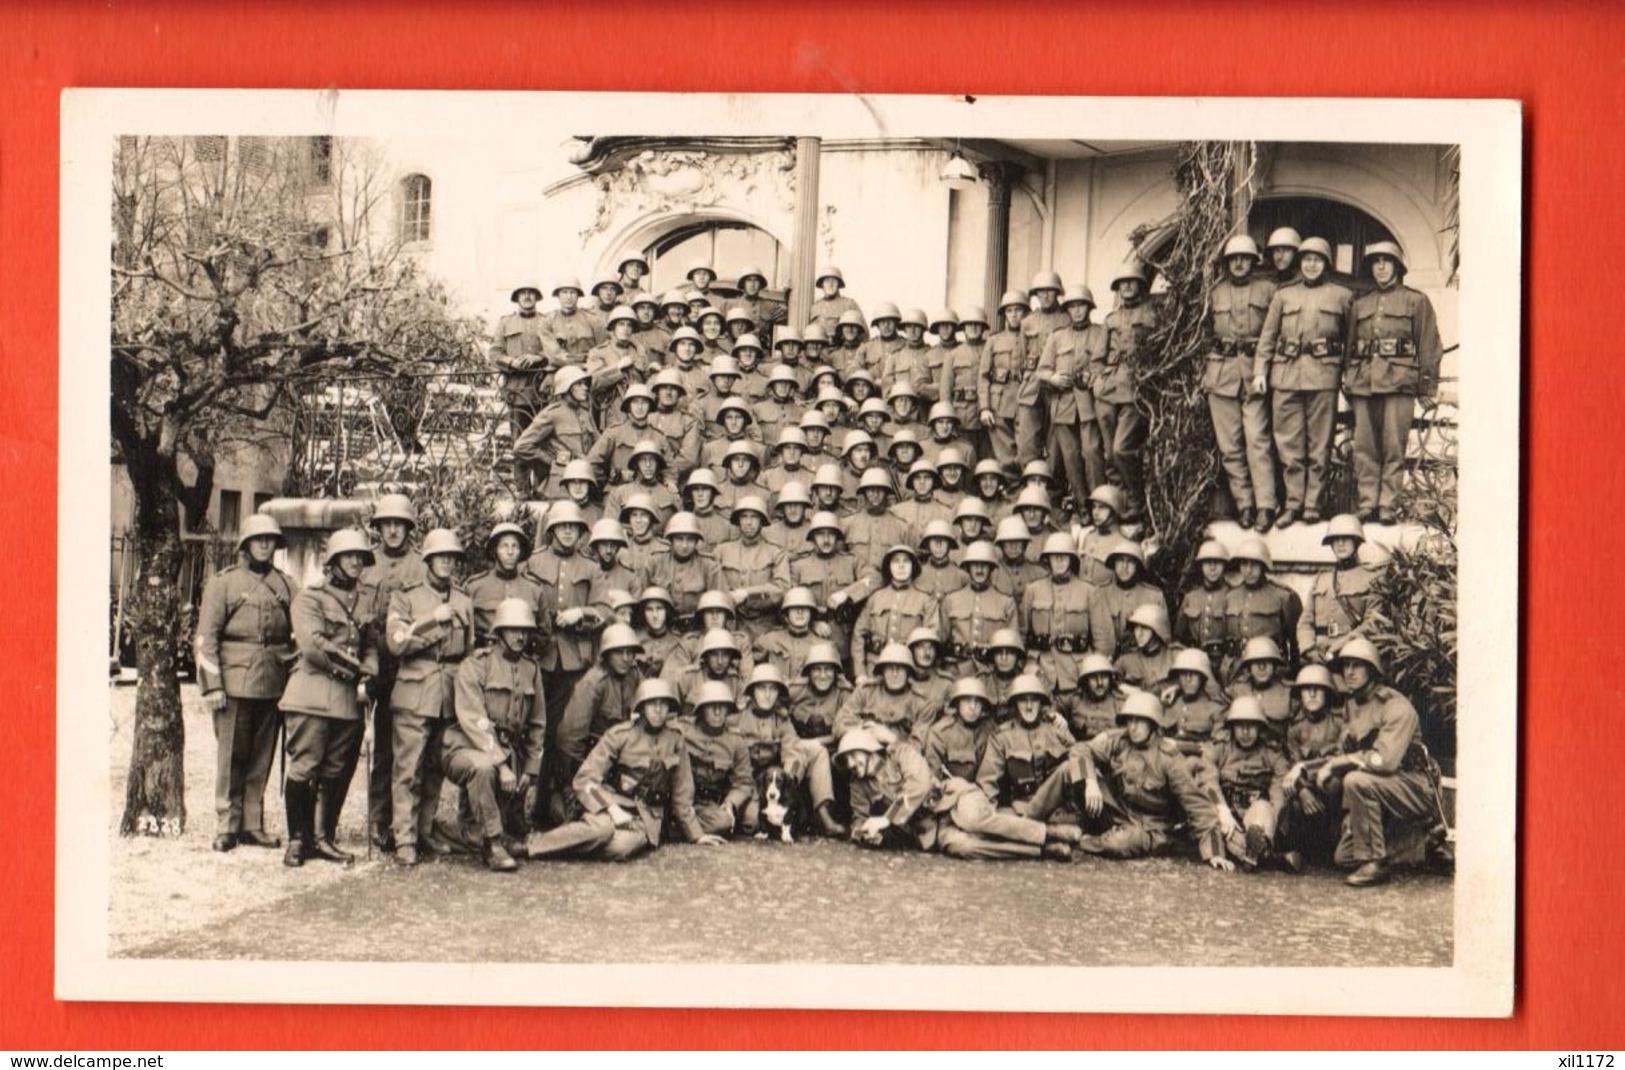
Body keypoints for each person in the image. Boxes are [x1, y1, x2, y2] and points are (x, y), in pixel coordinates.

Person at [523, 678, 724, 861]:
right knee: (602, 829)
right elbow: (585, 779)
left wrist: (697, 835)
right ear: (641, 706)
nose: (658, 710)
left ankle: (568, 840)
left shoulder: (675, 738)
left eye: (663, 704)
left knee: (621, 847)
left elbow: (682, 792)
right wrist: (613, 810)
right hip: (612, 804)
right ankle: (531, 846)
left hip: (646, 816)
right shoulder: (620, 735)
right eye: (652, 704)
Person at [1294, 636, 1440, 886]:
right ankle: (1419, 843)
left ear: (1372, 670)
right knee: (1344, 858)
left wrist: (1339, 764)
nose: (1349, 672)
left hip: (1415, 787)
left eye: (1356, 665)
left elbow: (1385, 761)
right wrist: (1303, 768)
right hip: (1382, 788)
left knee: (1355, 780)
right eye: (1345, 666)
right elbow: (1341, 755)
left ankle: (1375, 862)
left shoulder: (1395, 707)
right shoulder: (1353, 705)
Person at [279, 529, 379, 869]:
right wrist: (357, 667)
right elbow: (314, 645)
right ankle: (297, 840)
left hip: (348, 701)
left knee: (335, 769)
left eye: (360, 557)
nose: (355, 562)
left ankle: (322, 838)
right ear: (333, 561)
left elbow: (371, 642)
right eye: (348, 556)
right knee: (305, 766)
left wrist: (371, 669)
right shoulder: (310, 598)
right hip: (312, 692)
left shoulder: (366, 600)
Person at [195, 514, 295, 852]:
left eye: (270, 540)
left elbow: (297, 636)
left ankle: (252, 823)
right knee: (231, 757)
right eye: (259, 539)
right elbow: (205, 639)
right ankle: (227, 824)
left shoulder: (286, 585)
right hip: (234, 684)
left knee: (261, 756)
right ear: (246, 544)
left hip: (273, 683)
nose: (265, 545)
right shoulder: (223, 584)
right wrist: (212, 685)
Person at [1036, 690, 1221, 863]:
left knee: (1120, 843)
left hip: (1148, 827)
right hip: (1117, 811)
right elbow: (1080, 749)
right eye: (1129, 720)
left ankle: (1079, 839)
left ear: (1153, 724)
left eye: (1139, 721)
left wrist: (1215, 854)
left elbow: (1199, 808)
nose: (1132, 727)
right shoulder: (1121, 741)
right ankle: (1029, 820)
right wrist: (1091, 782)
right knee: (1069, 769)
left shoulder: (1170, 760)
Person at [385, 528, 475, 867]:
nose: (447, 563)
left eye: (452, 558)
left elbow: (469, 651)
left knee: (436, 766)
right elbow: (396, 643)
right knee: (408, 768)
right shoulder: (405, 597)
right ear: (428, 560)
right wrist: (430, 622)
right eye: (441, 557)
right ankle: (404, 838)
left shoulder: (464, 600)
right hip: (414, 689)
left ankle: (425, 829)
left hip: (450, 692)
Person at [440, 598, 547, 873]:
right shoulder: (475, 665)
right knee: (484, 768)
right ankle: (493, 844)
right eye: (512, 630)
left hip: (507, 751)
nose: (520, 636)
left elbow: (537, 724)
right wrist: (501, 764)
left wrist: (530, 771)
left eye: (524, 630)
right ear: (499, 632)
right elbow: (473, 720)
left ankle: (468, 828)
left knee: (514, 824)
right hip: (463, 747)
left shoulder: (531, 669)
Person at [1255, 236, 1354, 527]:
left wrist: (1347, 375)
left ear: (1326, 263)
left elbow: (1351, 340)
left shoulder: (1341, 296)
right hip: (1285, 377)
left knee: (1319, 444)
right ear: (1300, 263)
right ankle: (1293, 504)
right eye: (1307, 259)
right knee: (1288, 445)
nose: (1311, 265)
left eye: (1317, 259)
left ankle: (1313, 504)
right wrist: (1260, 371)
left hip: (1324, 377)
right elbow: (1267, 338)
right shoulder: (1283, 295)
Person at [1347, 241, 1445, 523]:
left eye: (1386, 261)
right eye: (1375, 262)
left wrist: (1426, 386)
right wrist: (1348, 378)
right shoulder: (1360, 304)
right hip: (1364, 383)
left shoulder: (1416, 301)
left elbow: (1428, 344)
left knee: (1393, 445)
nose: (1380, 267)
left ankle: (1387, 504)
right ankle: (1367, 503)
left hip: (1399, 382)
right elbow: (1350, 346)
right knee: (1364, 446)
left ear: (1397, 267)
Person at [355, 494, 427, 850]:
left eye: (400, 524)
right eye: (387, 524)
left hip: (409, 665)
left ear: (409, 527)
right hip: (373, 661)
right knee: (379, 747)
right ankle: (377, 821)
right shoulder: (365, 564)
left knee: (408, 747)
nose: (393, 530)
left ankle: (410, 825)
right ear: (379, 528)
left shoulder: (422, 565)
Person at [1204, 235, 1281, 532]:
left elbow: (1275, 333)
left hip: (1254, 374)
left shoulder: (1269, 290)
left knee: (1257, 442)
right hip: (1221, 375)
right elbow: (1202, 335)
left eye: (1244, 258)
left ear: (1253, 261)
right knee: (1230, 447)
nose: (1238, 263)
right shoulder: (1214, 293)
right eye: (1233, 259)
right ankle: (1245, 506)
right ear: (1226, 263)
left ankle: (1265, 507)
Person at [731, 663, 846, 836]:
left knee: (815, 749)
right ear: (752, 691)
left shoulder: (782, 721)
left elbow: (791, 752)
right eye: (762, 688)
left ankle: (823, 815)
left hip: (773, 781)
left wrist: (786, 783)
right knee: (752, 822)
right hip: (747, 781)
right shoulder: (736, 719)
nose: (768, 695)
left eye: (773, 689)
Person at [551, 623, 647, 815]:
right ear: (606, 654)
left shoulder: (634, 675)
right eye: (620, 653)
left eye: (630, 653)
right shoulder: (593, 682)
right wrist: (575, 781)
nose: (626, 659)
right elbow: (569, 738)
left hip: (621, 761)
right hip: (592, 761)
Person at [1194, 696, 1293, 871]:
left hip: (1257, 815)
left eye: (1251, 725)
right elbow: (1208, 781)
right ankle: (1265, 857)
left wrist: (1272, 825)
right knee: (1227, 833)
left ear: (1260, 728)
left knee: (1262, 810)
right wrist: (1222, 811)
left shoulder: (1272, 754)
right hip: (1228, 814)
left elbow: (1278, 793)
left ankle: (1258, 846)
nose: (1245, 732)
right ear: (1232, 727)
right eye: (1240, 725)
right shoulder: (1219, 749)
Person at [1094, 260, 1159, 522]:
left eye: (1132, 282)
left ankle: (1136, 499)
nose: (1127, 287)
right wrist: (1098, 380)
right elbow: (1097, 357)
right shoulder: (1111, 320)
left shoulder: (1152, 315)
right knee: (1110, 454)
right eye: (1122, 284)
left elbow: (1159, 352)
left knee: (1123, 449)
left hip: (1135, 389)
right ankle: (1118, 502)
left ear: (1141, 286)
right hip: (1107, 390)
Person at [1037, 284, 1109, 514]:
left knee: (1092, 453)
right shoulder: (1057, 337)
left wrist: (1095, 376)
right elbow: (1042, 370)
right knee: (1070, 458)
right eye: (1072, 307)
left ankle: (1100, 504)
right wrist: (1054, 377)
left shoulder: (1100, 333)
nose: (1077, 311)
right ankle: (1082, 507)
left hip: (1089, 404)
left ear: (1089, 308)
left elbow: (1107, 365)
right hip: (1063, 404)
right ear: (1067, 310)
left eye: (1081, 306)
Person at [1297, 514, 1384, 667]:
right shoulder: (1321, 579)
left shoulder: (1372, 579)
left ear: (1356, 542)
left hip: (1352, 657)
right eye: (1336, 539)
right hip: (1318, 657)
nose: (1340, 544)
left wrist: (1343, 644)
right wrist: (1309, 649)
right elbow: (1306, 621)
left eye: (1346, 538)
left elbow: (1373, 623)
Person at [836, 727, 940, 852]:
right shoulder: (858, 784)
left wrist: (887, 818)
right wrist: (864, 834)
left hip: (943, 811)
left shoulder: (901, 754)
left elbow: (920, 783)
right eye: (846, 760)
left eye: (853, 755)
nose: (850, 764)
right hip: (923, 833)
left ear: (869, 749)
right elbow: (860, 818)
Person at [1019, 532, 1099, 693]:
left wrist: (1093, 674)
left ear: (1072, 560)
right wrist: (1027, 664)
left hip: (1077, 673)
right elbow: (1021, 634)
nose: (1060, 561)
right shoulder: (1033, 590)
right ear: (1048, 559)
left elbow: (1103, 641)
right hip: (1040, 672)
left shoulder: (1089, 591)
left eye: (1064, 556)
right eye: (1055, 556)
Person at [681, 680, 757, 839]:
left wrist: (730, 802)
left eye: (722, 707)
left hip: (707, 804)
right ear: (701, 710)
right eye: (711, 706)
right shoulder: (683, 731)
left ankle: (679, 827)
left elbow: (744, 782)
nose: (717, 712)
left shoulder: (736, 741)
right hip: (682, 798)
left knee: (724, 822)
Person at [851, 544, 941, 677]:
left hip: (909, 670)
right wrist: (861, 674)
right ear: (889, 567)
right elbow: (858, 635)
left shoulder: (926, 601)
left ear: (913, 567)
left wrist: (919, 673)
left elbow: (931, 640)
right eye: (896, 561)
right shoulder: (875, 598)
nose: (901, 566)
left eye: (906, 561)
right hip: (875, 669)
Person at [513, 365, 601, 499]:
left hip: (584, 479)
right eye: (579, 384)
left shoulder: (585, 412)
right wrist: (554, 461)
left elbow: (598, 444)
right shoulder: (552, 414)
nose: (585, 388)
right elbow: (521, 446)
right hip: (561, 482)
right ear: (567, 387)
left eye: (585, 384)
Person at [714, 495, 790, 640]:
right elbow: (713, 588)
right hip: (731, 625)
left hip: (765, 628)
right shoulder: (721, 551)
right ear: (738, 520)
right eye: (744, 517)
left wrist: (747, 593)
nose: (749, 523)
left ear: (762, 521)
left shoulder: (775, 553)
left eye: (754, 517)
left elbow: (782, 589)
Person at [488, 283, 552, 447]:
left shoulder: (547, 321)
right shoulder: (505, 323)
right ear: (516, 298)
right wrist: (512, 362)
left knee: (543, 441)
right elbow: (494, 354)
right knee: (519, 443)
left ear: (537, 297)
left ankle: (541, 474)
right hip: (516, 393)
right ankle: (520, 473)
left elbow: (557, 351)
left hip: (543, 391)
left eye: (531, 292)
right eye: (522, 293)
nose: (527, 296)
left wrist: (539, 357)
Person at [1225, 535, 1303, 669]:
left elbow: (1295, 641)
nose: (1248, 571)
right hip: (1236, 669)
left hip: (1268, 669)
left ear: (1263, 566)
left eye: (1254, 564)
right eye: (1244, 564)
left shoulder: (1283, 597)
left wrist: (1293, 670)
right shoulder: (1230, 596)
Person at [939, 540, 1017, 672]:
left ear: (991, 568)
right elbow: (940, 642)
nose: (979, 570)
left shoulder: (1006, 603)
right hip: (958, 671)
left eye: (984, 565)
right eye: (975, 565)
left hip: (991, 671)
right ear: (968, 567)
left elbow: (1013, 646)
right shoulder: (950, 601)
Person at [833, 641, 932, 743]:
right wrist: (864, 729)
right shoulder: (866, 692)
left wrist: (890, 738)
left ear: (908, 672)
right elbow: (838, 725)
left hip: (898, 755)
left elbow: (917, 746)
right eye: (889, 668)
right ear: (882, 671)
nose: (894, 674)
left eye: (900, 668)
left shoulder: (921, 703)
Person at [464, 522, 544, 647]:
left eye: (515, 546)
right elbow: (464, 631)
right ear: (494, 551)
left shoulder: (534, 588)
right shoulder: (475, 587)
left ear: (521, 552)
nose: (510, 552)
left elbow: (544, 632)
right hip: (486, 659)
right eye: (504, 546)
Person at [1088, 538, 1166, 660]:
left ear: (1138, 565)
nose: (1124, 567)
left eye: (1130, 562)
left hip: (1143, 663)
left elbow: (1164, 639)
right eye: (1120, 561)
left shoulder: (1154, 596)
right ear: (1114, 564)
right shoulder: (1099, 594)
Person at [642, 511, 722, 627]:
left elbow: (720, 606)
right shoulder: (654, 562)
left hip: (696, 630)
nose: (685, 545)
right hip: (662, 630)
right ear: (671, 540)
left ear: (696, 541)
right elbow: (642, 601)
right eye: (679, 539)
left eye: (690, 539)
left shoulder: (709, 566)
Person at [979, 289, 1029, 473]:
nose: (1014, 314)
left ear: (1025, 312)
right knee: (1004, 455)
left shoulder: (1031, 339)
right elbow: (983, 376)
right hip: (998, 404)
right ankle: (1009, 492)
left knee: (1026, 451)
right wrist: (984, 407)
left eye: (1018, 310)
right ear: (1004, 314)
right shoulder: (993, 340)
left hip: (1025, 401)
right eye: (1009, 310)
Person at [1176, 538, 1233, 673]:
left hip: (1224, 664)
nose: (1212, 568)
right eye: (1207, 562)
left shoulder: (1232, 596)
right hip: (1196, 662)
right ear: (1201, 566)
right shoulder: (1191, 597)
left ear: (1224, 565)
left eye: (1217, 562)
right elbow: (1178, 637)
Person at [1228, 636, 1293, 741]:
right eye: (1256, 662)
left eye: (1267, 662)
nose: (1262, 667)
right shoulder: (1236, 690)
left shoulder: (1289, 691)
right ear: (1248, 666)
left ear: (1275, 665)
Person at [1163, 647, 1227, 746]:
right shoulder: (1171, 702)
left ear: (1203, 678)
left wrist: (1180, 747)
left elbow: (1218, 748)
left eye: (1193, 674)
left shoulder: (1216, 709)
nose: (1188, 679)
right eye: (1183, 674)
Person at [1113, 602, 1176, 692]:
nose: (1139, 634)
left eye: (1145, 628)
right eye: (1136, 628)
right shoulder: (1126, 660)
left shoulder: (1174, 656)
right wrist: (1124, 688)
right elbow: (1110, 680)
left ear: (1158, 630)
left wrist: (1176, 689)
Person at [808, 265, 863, 336]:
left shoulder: (849, 304)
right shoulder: (815, 307)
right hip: (820, 346)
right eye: (827, 281)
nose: (831, 284)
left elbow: (863, 333)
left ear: (839, 284)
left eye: (834, 281)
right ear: (822, 284)